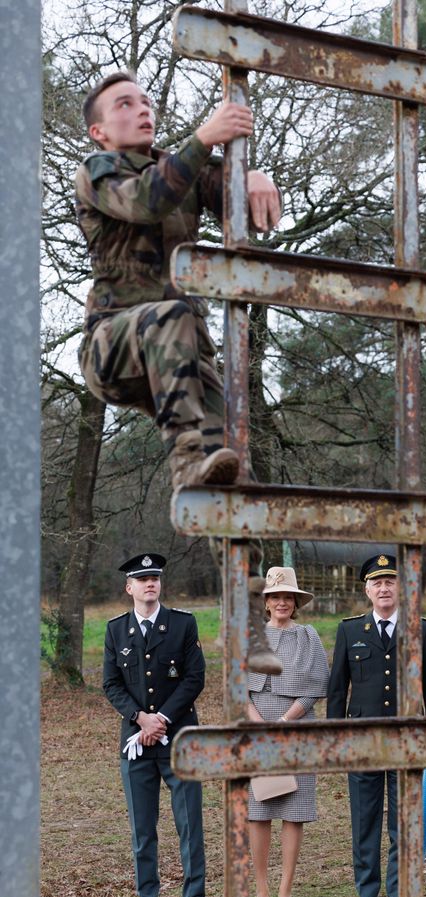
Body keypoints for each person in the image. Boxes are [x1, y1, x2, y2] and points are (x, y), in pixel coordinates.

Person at [76, 70, 282, 677]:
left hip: (179, 357)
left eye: (145, 100)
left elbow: (249, 208)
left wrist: (250, 174)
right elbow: (148, 201)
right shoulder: (100, 171)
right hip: (115, 346)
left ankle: (249, 627)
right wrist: (205, 139)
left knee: (233, 474)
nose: (141, 109)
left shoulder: (183, 166)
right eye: (124, 104)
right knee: (171, 312)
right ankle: (184, 466)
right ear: (99, 128)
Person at [327, 551, 426, 897]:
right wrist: (336, 739)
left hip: (407, 741)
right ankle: (366, 895)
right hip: (362, 742)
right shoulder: (349, 630)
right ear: (367, 590)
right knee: (365, 820)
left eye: (390, 581)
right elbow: (336, 689)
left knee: (402, 822)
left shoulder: (420, 629)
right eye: (377, 582)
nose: (384, 587)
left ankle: (397, 895)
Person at [103, 552, 208, 897]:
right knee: (143, 831)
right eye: (142, 579)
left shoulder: (182, 624)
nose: (150, 583)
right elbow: (111, 683)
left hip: (179, 740)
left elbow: (194, 678)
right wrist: (140, 718)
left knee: (189, 827)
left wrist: (161, 718)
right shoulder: (116, 630)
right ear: (129, 587)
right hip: (136, 743)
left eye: (155, 578)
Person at [247, 566, 329, 897]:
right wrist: (259, 725)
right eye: (275, 596)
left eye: (287, 597)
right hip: (257, 730)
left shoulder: (308, 636)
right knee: (258, 810)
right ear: (266, 602)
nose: (281, 602)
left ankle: (285, 892)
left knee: (294, 811)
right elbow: (237, 687)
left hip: (295, 729)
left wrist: (284, 722)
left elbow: (315, 686)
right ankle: (261, 891)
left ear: (295, 602)